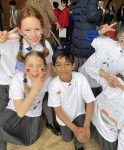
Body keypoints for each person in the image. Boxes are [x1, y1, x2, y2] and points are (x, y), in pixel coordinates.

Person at [0, 7, 60, 135]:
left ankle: (50, 122)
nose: (33, 35)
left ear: (42, 28)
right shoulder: (9, 41)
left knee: (42, 99)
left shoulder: (45, 46)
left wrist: (39, 84)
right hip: (6, 83)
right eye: (27, 30)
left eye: (37, 29)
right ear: (20, 30)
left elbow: (48, 67)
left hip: (33, 83)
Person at [0, 51, 51, 150]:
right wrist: (35, 88)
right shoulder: (18, 79)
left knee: (28, 140)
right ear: (24, 67)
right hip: (13, 112)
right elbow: (20, 112)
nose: (35, 70)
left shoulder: (48, 81)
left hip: (32, 117)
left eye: (39, 65)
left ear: (45, 67)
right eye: (30, 65)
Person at [48, 49, 95, 150]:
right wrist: (75, 129)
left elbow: (90, 102)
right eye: (59, 65)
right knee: (66, 139)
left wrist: (86, 126)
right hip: (63, 116)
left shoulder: (80, 78)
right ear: (54, 68)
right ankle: (64, 128)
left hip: (79, 112)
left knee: (83, 135)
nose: (63, 68)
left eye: (67, 64)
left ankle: (78, 146)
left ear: (73, 66)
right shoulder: (53, 85)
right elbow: (58, 110)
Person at [79, 23, 124, 96]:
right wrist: (99, 32)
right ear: (119, 36)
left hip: (96, 87)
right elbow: (88, 38)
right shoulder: (106, 42)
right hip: (81, 77)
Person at [70, 0, 103, 70]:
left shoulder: (75, 1)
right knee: (87, 68)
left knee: (77, 65)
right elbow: (92, 17)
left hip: (77, 34)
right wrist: (101, 11)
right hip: (87, 36)